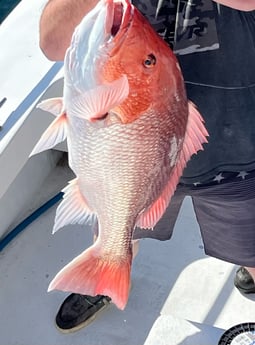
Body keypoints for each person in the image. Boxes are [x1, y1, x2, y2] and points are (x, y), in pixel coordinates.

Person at [39, 0, 255, 333]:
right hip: (136, 160)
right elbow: (52, 43)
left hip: (239, 153)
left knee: (251, 246)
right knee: (119, 227)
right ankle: (105, 278)